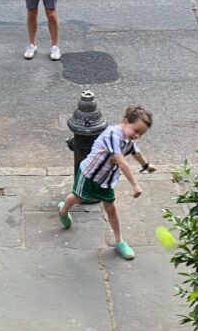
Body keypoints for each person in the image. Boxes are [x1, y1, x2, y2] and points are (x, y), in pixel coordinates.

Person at [57, 104, 155, 261]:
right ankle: (63, 211)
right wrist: (135, 184)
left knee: (111, 208)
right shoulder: (113, 135)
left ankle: (119, 241)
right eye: (136, 130)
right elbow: (122, 162)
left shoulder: (128, 139)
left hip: (106, 180)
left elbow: (136, 151)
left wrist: (146, 165)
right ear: (125, 121)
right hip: (89, 175)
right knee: (77, 198)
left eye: (141, 134)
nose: (137, 135)